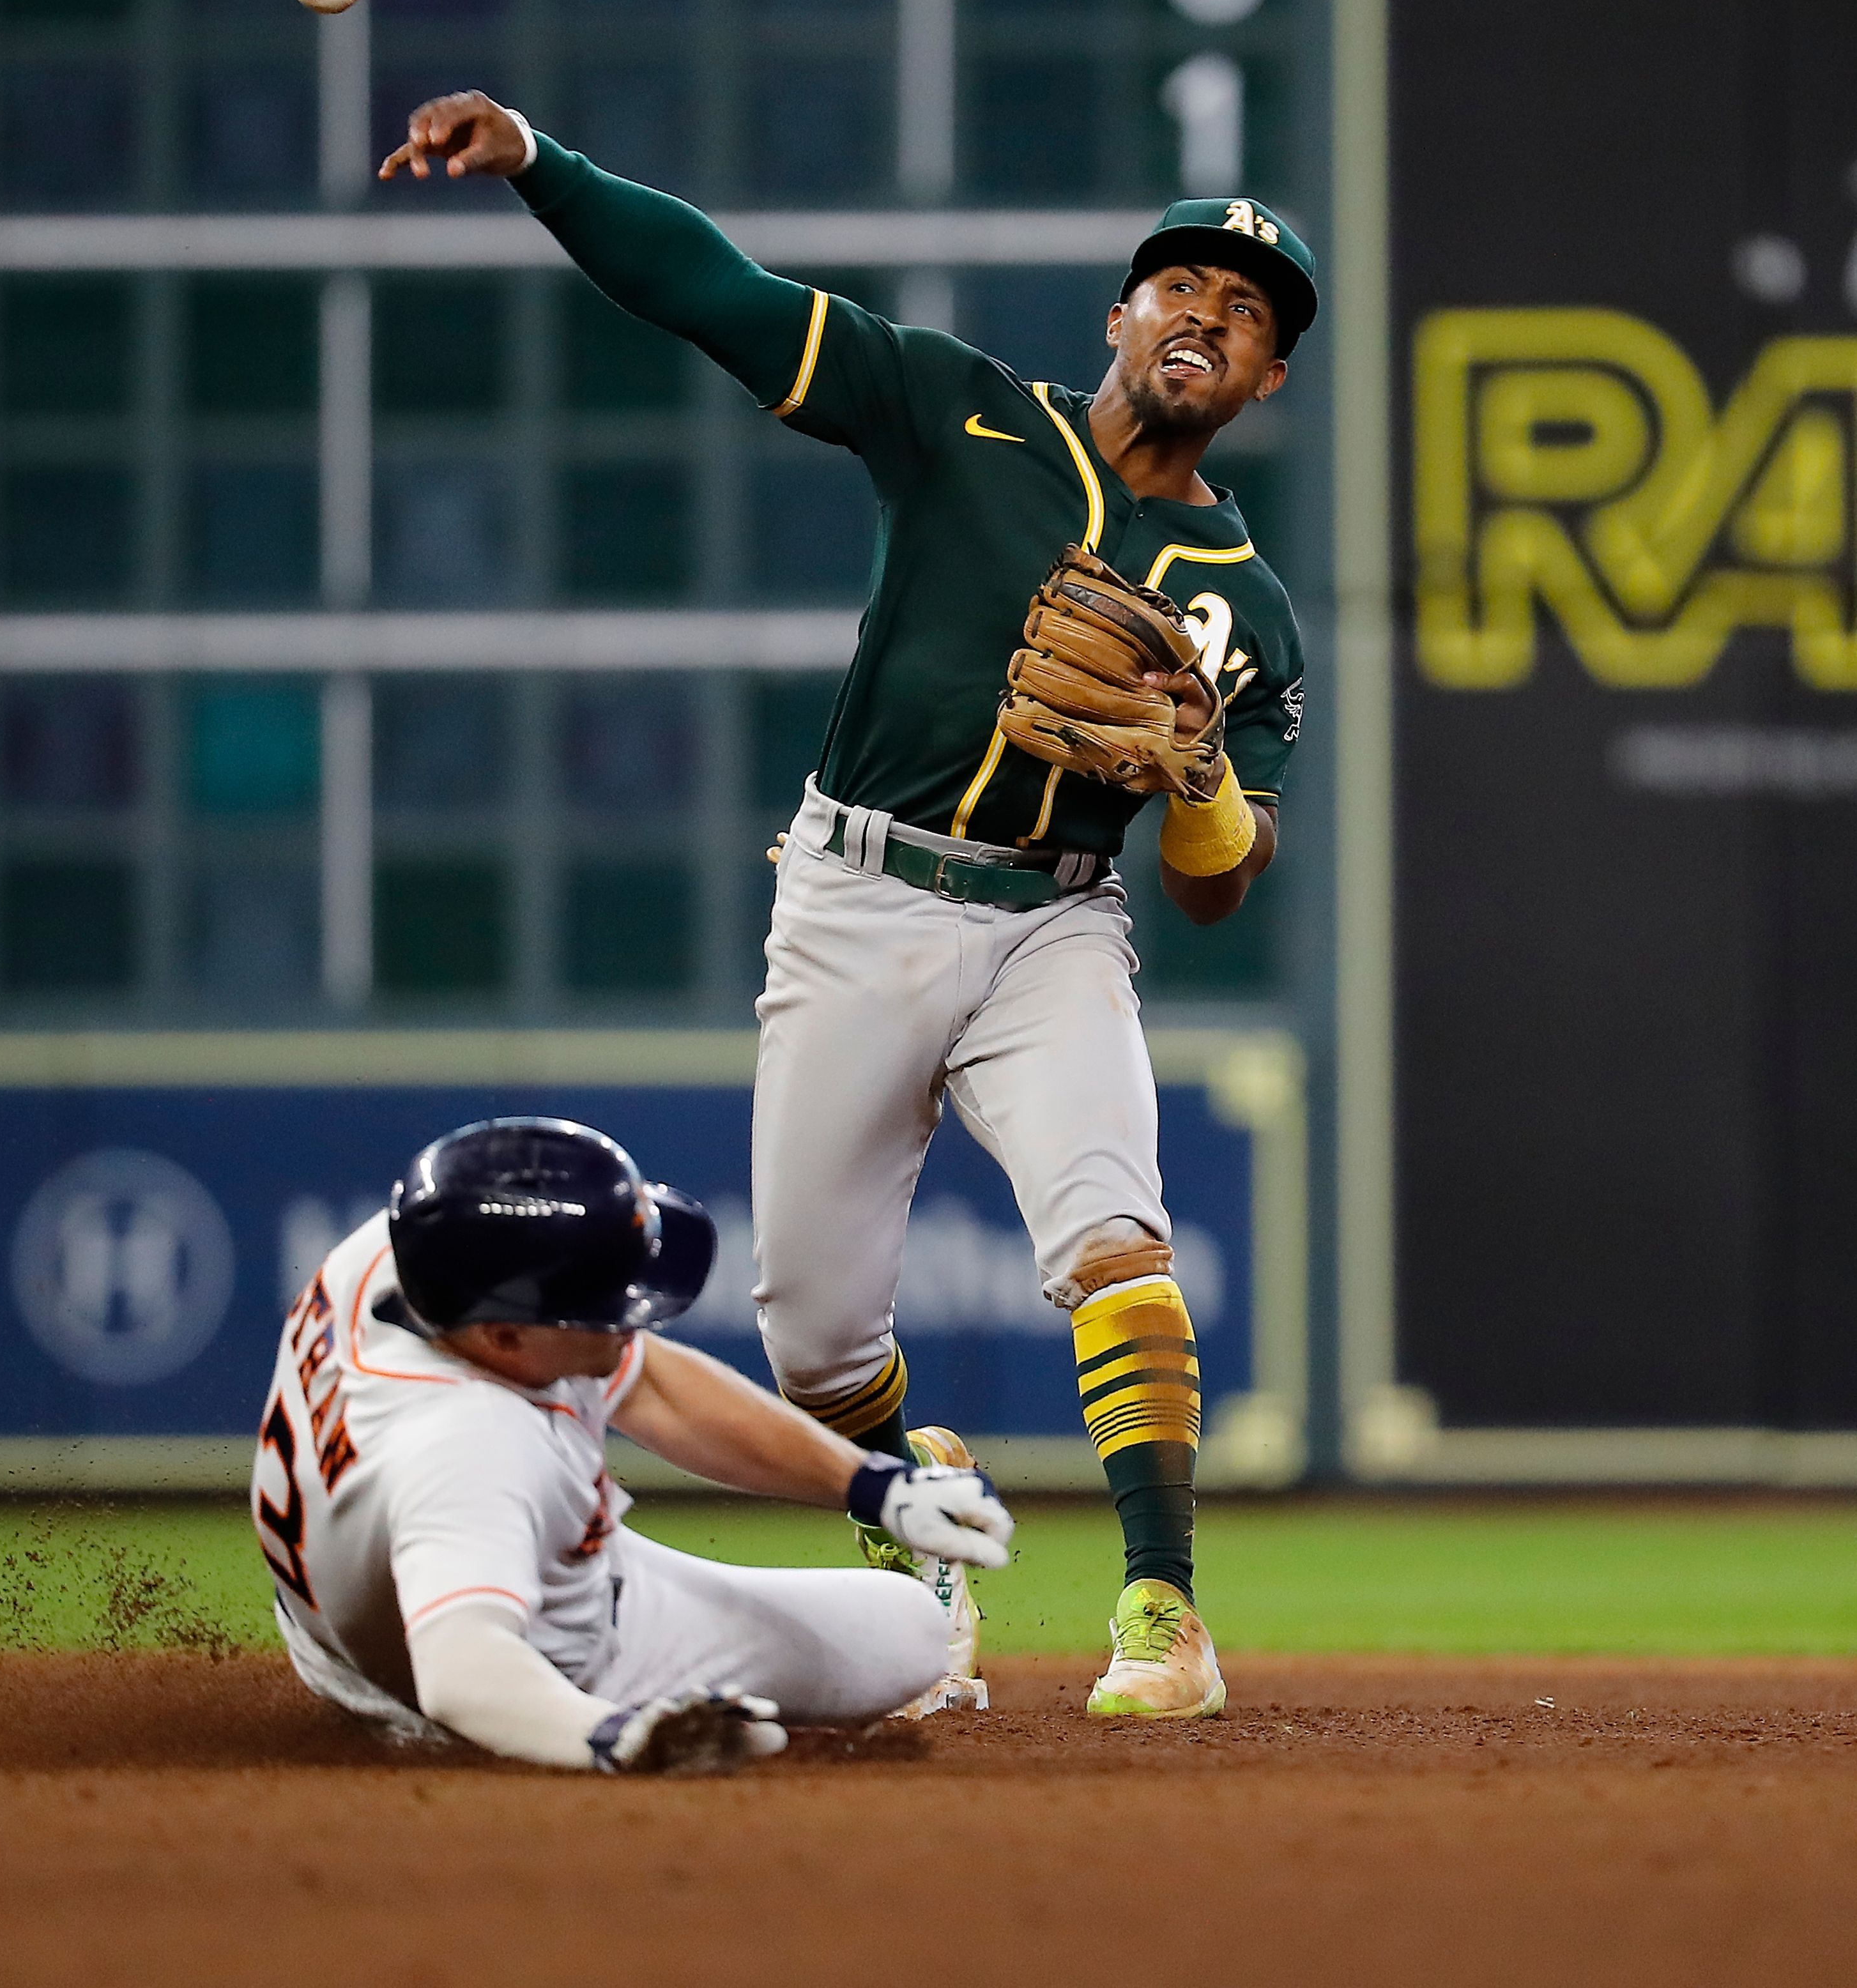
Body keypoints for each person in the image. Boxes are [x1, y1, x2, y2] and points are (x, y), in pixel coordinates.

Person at [381, 97, 1311, 1719]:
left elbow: (1218, 891)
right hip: (855, 896)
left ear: (1263, 380)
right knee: (812, 1345)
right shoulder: (953, 409)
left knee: (1115, 1237)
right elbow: (713, 290)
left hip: (1053, 923)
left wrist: (1204, 782)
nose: (1205, 316)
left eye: (1243, 314)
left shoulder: (1249, 606)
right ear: (1120, 312)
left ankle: (1161, 1608)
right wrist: (540, 160)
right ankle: (916, 1503)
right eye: (1180, 286)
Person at [251, 1116, 1014, 1771]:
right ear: (504, 1335)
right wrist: (607, 1732)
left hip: (366, 1605)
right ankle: (586, 1707)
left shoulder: (409, 1258)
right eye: (605, 1305)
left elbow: (652, 1385)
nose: (631, 1318)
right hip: (520, 1655)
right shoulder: (469, 1447)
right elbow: (462, 1666)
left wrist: (874, 1486)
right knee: (907, 1632)